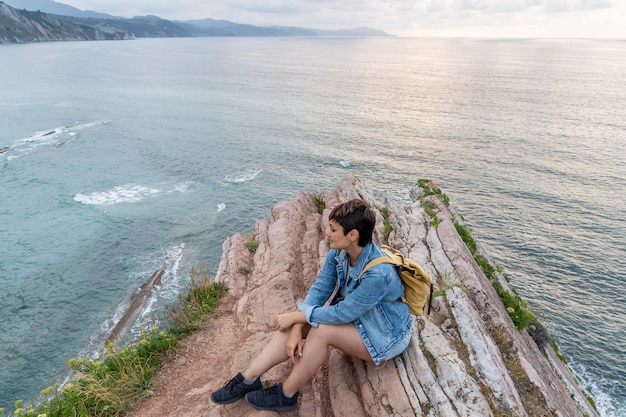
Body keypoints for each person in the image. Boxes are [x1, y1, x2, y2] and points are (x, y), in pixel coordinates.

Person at [210, 198, 413, 412]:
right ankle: (248, 379)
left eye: (333, 229)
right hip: (358, 318)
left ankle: (286, 394)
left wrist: (299, 317)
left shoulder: (378, 274)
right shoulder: (341, 251)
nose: (327, 233)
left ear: (352, 235)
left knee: (320, 331)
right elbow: (320, 288)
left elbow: (343, 313)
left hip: (384, 334)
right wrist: (297, 327)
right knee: (294, 322)